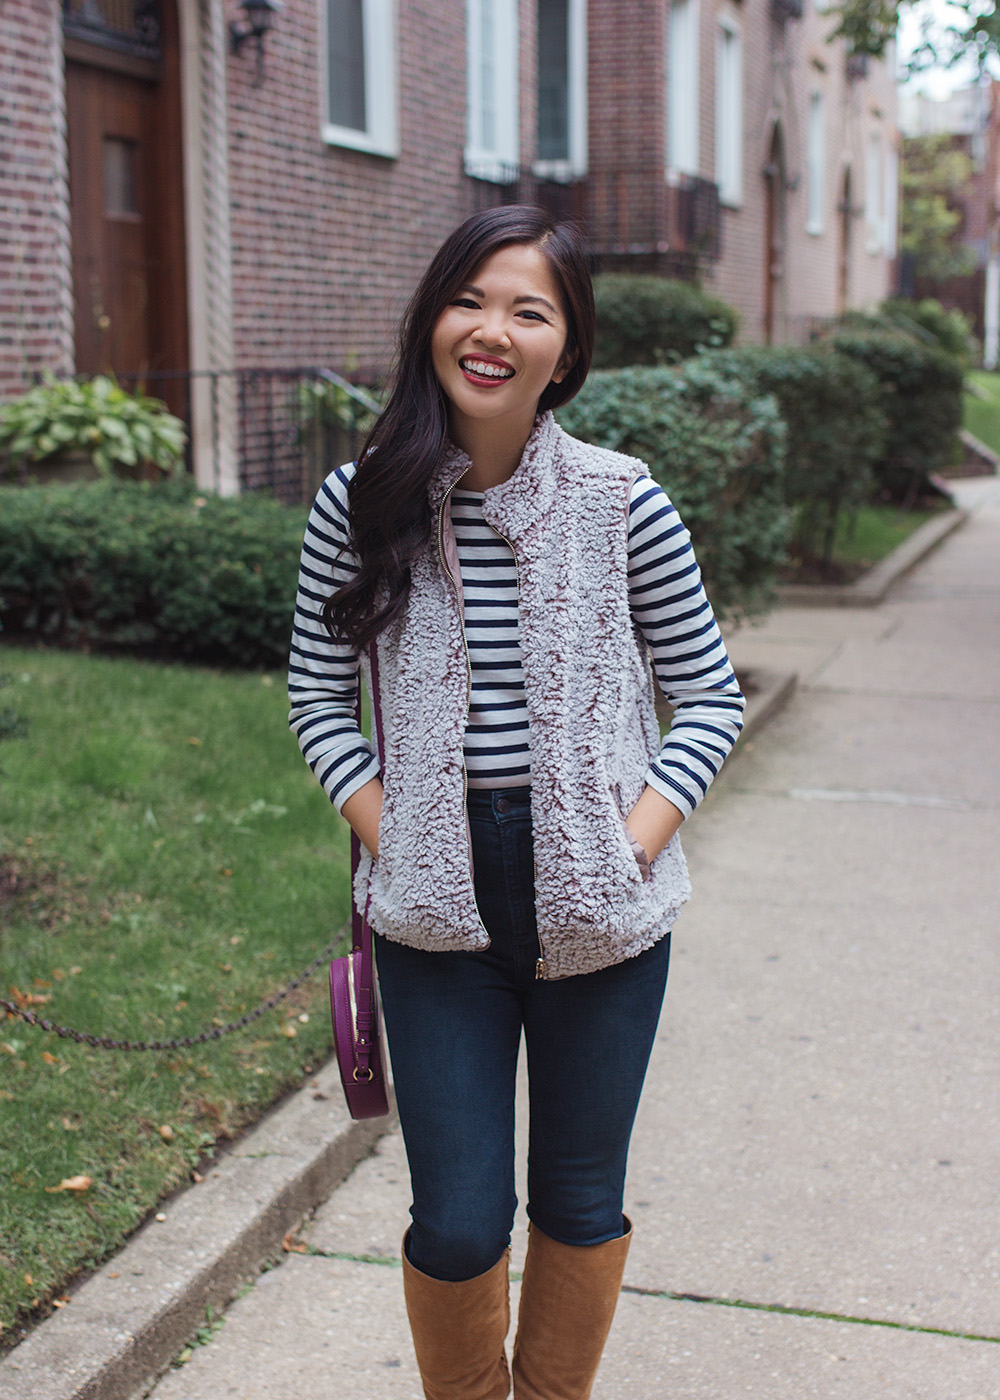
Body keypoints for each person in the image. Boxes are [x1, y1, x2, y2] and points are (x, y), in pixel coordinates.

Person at [289, 205, 745, 1399]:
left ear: (566, 347)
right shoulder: (361, 499)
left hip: (602, 905)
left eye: (528, 310)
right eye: (469, 299)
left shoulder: (622, 502)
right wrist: (398, 841)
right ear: (432, 319)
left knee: (583, 1202)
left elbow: (707, 697)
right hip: (433, 912)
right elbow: (315, 697)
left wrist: (629, 845)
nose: (492, 330)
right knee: (455, 1218)